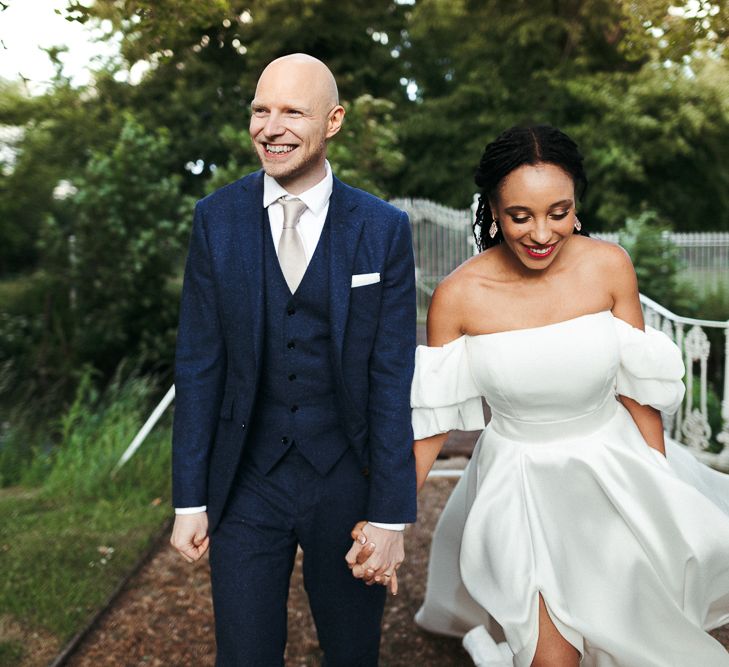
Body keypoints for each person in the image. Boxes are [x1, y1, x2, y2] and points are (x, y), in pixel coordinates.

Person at [409, 125, 729, 666]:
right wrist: (390, 517)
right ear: (491, 209)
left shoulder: (608, 266)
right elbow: (432, 420)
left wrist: (658, 484)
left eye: (558, 212)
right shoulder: (458, 296)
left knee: (628, 639)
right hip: (516, 487)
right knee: (549, 658)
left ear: (576, 205)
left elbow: (637, 390)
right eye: (520, 216)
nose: (541, 233)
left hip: (612, 472)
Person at [169, 53, 417, 666]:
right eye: (260, 110)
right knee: (244, 655)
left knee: (352, 652)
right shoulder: (216, 220)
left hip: (347, 482)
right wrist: (189, 500)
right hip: (247, 481)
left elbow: (391, 378)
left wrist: (390, 515)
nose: (270, 127)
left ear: (332, 122)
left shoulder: (382, 229)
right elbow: (199, 366)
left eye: (291, 112)